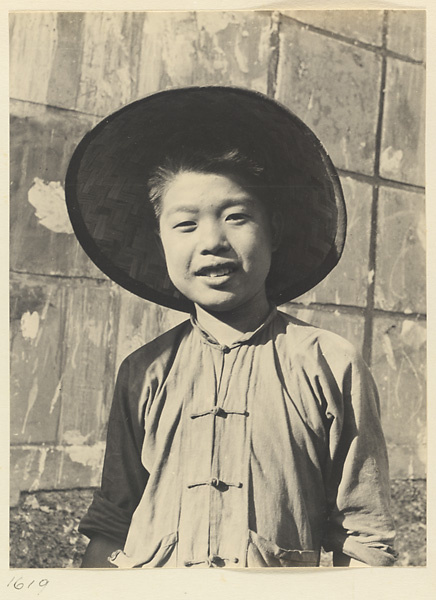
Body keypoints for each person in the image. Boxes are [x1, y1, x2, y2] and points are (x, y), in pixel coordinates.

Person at [65, 86, 396, 568]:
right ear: (159, 241)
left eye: (237, 217)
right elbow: (113, 522)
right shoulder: (142, 372)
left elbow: (365, 538)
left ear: (275, 230)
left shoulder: (329, 363)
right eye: (185, 225)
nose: (212, 242)